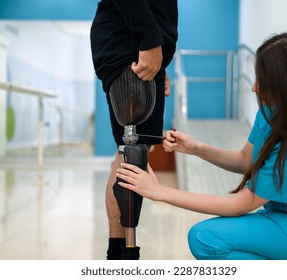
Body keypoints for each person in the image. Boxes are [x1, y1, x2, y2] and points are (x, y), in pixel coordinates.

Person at [116, 31, 287, 260]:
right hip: (283, 218)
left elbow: (241, 204)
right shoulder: (272, 113)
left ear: (286, 85)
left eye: (262, 80)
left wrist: (160, 192)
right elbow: (245, 160)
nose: (254, 87)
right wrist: (195, 147)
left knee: (205, 239)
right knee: (205, 237)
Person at [90, 0, 178, 260]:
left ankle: (120, 255)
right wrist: (149, 41)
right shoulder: (142, 39)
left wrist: (161, 63)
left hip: (141, 44)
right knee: (130, 152)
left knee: (134, 151)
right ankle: (122, 258)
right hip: (134, 41)